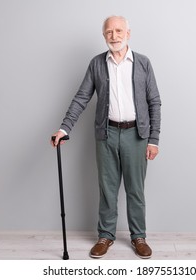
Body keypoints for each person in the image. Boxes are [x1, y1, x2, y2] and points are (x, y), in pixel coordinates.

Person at [51, 15, 161, 259]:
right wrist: (64, 128)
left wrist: (154, 139)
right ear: (104, 36)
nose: (114, 36)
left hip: (137, 135)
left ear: (128, 34)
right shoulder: (97, 64)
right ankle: (106, 235)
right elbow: (81, 97)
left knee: (135, 190)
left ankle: (138, 236)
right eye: (109, 32)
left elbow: (154, 102)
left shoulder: (143, 63)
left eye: (119, 31)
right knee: (107, 188)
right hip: (106, 133)